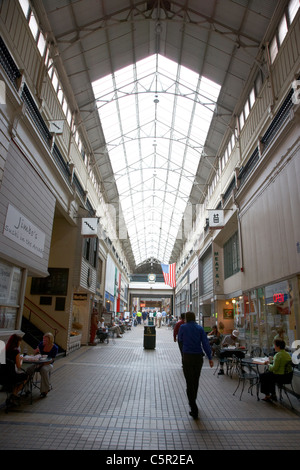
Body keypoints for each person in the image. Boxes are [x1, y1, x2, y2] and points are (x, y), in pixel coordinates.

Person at [178, 312, 214, 419]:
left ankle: (193, 406)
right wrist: (210, 358)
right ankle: (193, 401)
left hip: (187, 357)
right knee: (195, 380)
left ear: (186, 318)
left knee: (189, 382)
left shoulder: (183, 327)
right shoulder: (200, 328)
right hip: (198, 357)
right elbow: (205, 343)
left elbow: (180, 339)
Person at [2, 334, 30, 405]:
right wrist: (21, 359)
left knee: (19, 375)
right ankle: (14, 394)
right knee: (26, 376)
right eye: (20, 341)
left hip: (2, 376)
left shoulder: (4, 350)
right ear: (17, 342)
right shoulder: (16, 351)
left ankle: (13, 395)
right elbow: (18, 366)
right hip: (11, 377)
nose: (20, 343)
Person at [34, 332, 58, 397]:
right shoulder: (41, 344)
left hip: (48, 364)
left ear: (50, 340)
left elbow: (52, 359)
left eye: (46, 340)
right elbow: (36, 354)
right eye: (43, 339)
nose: (44, 341)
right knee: (29, 369)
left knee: (43, 370)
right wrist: (36, 352)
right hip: (39, 363)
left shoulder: (55, 348)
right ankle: (26, 389)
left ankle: (45, 390)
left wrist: (44, 363)